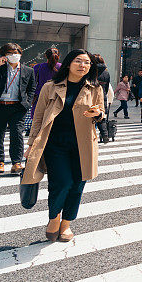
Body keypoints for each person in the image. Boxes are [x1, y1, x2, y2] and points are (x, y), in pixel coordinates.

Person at [22, 49, 104, 242]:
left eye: (86, 63)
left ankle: (66, 223)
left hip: (83, 145)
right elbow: (38, 117)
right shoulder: (50, 87)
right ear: (68, 63)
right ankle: (53, 218)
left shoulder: (95, 88)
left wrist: (97, 114)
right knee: (62, 183)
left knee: (77, 185)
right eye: (78, 61)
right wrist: (31, 144)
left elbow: (101, 113)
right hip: (55, 144)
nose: (82, 65)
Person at [0, 43, 36, 174]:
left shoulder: (28, 70)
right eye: (10, 53)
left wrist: (27, 103)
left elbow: (32, 88)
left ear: (20, 54)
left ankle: (16, 162)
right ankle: (0, 162)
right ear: (4, 55)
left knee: (17, 135)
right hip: (0, 106)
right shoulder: (0, 69)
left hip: (18, 107)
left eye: (16, 52)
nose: (14, 55)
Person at [31, 47, 60, 119]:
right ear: (58, 56)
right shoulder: (62, 67)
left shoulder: (38, 67)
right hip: (57, 96)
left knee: (38, 118)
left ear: (45, 56)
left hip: (40, 96)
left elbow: (33, 83)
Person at [93, 54, 111, 143]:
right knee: (101, 116)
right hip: (102, 95)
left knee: (89, 115)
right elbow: (107, 87)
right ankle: (105, 135)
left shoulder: (91, 70)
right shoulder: (106, 72)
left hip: (91, 94)